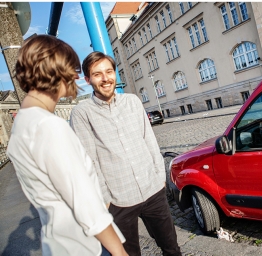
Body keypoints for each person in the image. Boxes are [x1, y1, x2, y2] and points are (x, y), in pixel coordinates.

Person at [6, 35, 128, 256]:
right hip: (86, 245)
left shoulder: (21, 124)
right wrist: (119, 251)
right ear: (55, 71)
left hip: (59, 244)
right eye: (71, 68)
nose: (76, 75)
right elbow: (85, 203)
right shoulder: (49, 127)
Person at [70, 52, 181, 256]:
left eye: (109, 72)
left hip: (153, 190)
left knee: (171, 248)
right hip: (118, 200)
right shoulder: (81, 113)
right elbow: (89, 161)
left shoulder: (132, 102)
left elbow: (149, 140)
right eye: (97, 74)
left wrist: (159, 177)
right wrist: (105, 199)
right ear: (88, 79)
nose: (105, 78)